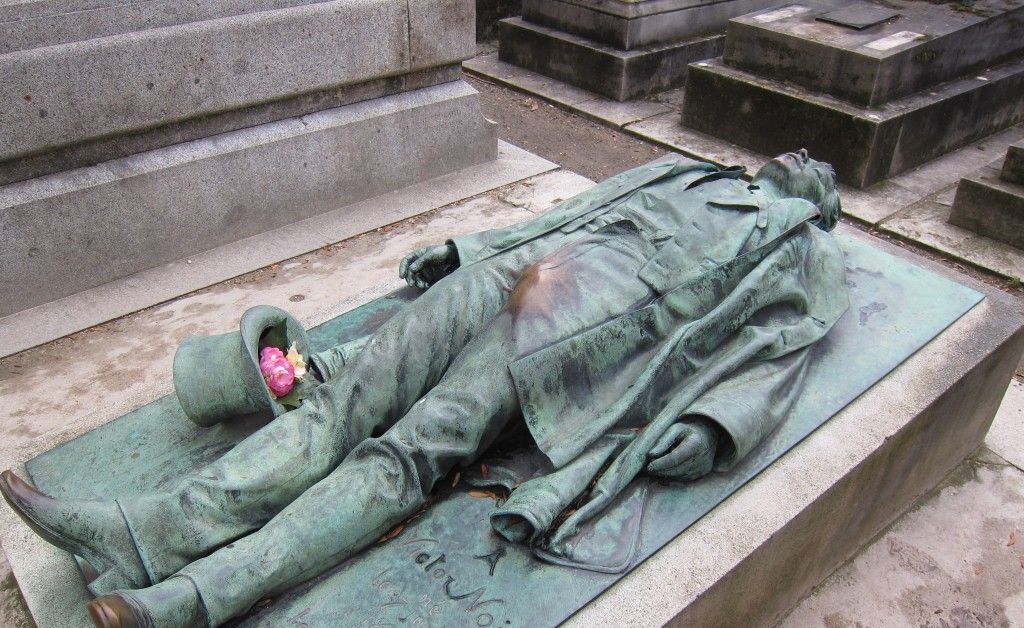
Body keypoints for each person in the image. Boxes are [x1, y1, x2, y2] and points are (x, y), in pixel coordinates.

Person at [0, 150, 849, 628]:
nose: (808, 157)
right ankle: (146, 530)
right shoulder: (686, 168)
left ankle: (191, 601)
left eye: (824, 168)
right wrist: (470, 249)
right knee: (347, 398)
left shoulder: (807, 249)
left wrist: (716, 422)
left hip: (581, 327)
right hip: (527, 271)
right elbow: (569, 216)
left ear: (823, 204)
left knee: (405, 453)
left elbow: (784, 351)